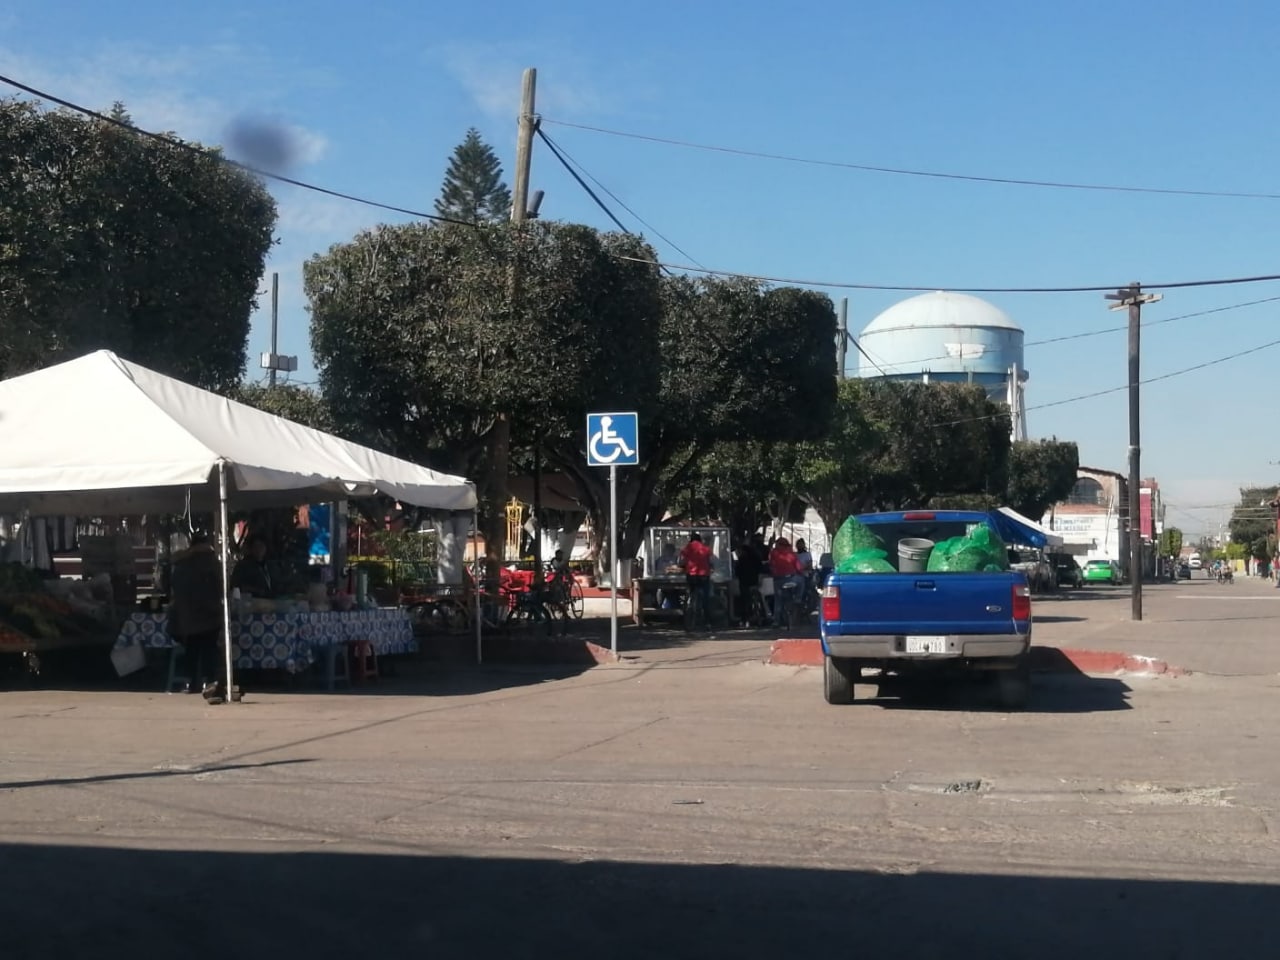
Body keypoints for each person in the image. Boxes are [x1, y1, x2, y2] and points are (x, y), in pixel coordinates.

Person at [168, 531, 224, 700]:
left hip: (188, 617)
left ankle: (190, 682)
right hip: (209, 615)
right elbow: (220, 586)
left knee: (192, 650)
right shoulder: (212, 562)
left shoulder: (182, 563)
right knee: (209, 649)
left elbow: (174, 586)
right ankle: (210, 682)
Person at [679, 532, 714, 631]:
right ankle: (707, 623)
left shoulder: (686, 548)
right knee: (705, 598)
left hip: (691, 576)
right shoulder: (706, 548)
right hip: (704, 576)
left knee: (690, 592)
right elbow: (711, 562)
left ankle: (689, 606)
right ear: (700, 539)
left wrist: (684, 566)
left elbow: (681, 561)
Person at [768, 537, 803, 626]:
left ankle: (776, 621)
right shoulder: (791, 554)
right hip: (791, 579)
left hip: (778, 580)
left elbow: (771, 565)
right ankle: (798, 598)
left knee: (778, 600)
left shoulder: (773, 553)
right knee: (801, 580)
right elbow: (799, 568)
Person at [231, 533, 275, 599]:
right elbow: (236, 587)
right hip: (250, 603)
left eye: (261, 546)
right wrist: (255, 591)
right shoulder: (243, 566)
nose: (259, 550)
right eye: (256, 547)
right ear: (251, 549)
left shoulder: (270, 565)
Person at [734, 536, 764, 626]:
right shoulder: (756, 558)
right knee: (756, 598)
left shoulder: (741, 560)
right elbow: (761, 569)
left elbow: (737, 571)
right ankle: (759, 616)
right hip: (754, 582)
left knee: (744, 601)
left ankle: (745, 619)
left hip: (744, 583)